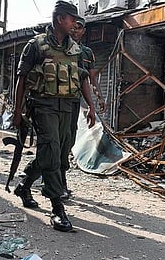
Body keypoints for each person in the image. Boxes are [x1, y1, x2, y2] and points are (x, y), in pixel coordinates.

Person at [12, 0, 96, 232]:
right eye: (72, 20)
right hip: (43, 104)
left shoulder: (76, 49)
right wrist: (17, 111)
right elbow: (21, 79)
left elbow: (82, 78)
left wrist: (91, 106)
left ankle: (25, 185)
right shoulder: (36, 46)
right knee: (50, 148)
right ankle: (57, 206)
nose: (75, 24)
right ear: (60, 19)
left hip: (68, 106)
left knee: (59, 153)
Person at [60, 15, 106, 200]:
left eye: (79, 27)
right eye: (73, 26)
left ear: (83, 31)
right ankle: (52, 181)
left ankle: (59, 181)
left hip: (73, 101)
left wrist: (97, 100)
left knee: (68, 140)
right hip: (56, 99)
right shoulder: (60, 46)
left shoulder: (86, 53)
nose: (75, 30)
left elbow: (90, 78)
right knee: (55, 142)